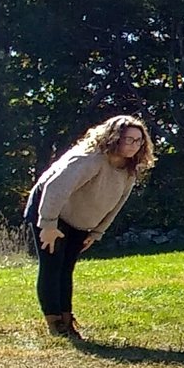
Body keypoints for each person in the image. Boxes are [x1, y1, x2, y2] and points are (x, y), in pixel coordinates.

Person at [24, 115, 155, 339]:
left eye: (139, 141)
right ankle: (54, 322)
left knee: (67, 268)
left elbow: (116, 204)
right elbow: (55, 188)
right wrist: (47, 225)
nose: (135, 146)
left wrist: (96, 232)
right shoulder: (89, 159)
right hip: (49, 211)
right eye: (129, 140)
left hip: (79, 220)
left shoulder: (129, 170)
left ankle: (66, 318)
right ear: (114, 138)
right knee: (53, 266)